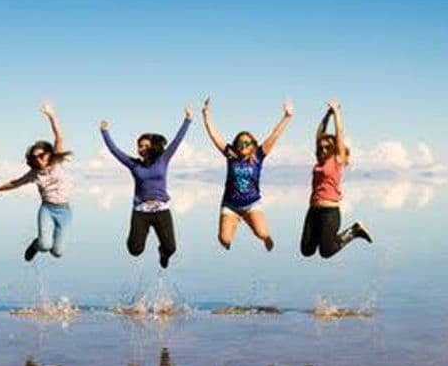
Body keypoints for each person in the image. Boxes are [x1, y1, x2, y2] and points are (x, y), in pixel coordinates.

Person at [100, 106, 193, 268]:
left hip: (161, 209)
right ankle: (134, 237)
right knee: (135, 250)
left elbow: (177, 140)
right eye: (139, 146)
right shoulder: (134, 164)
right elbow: (115, 151)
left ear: (152, 146)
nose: (140, 149)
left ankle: (163, 253)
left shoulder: (163, 159)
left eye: (143, 145)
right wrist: (104, 132)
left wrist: (188, 120)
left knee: (170, 248)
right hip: (141, 211)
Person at [0, 103, 73, 261]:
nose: (39, 159)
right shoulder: (34, 174)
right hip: (47, 209)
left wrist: (51, 116)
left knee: (58, 252)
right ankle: (36, 244)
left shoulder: (57, 162)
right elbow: (15, 183)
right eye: (35, 157)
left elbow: (59, 136)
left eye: (42, 155)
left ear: (49, 153)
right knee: (45, 245)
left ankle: (47, 245)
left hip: (65, 211)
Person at [201, 97, 293, 251]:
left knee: (262, 233)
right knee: (224, 240)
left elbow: (274, 135)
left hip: (252, 204)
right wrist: (206, 115)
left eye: (247, 143)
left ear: (253, 145)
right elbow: (215, 136)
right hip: (230, 205)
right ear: (236, 145)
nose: (243, 145)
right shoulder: (231, 155)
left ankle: (262, 234)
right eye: (240, 143)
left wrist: (287, 117)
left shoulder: (258, 156)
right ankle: (235, 221)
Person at [301, 100, 373, 259]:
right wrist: (327, 115)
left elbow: (339, 132)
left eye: (327, 147)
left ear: (334, 149)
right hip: (313, 210)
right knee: (306, 250)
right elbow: (319, 132)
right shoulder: (319, 161)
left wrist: (336, 113)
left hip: (330, 212)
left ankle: (354, 231)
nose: (323, 149)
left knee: (326, 252)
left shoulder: (337, 160)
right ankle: (333, 235)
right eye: (321, 147)